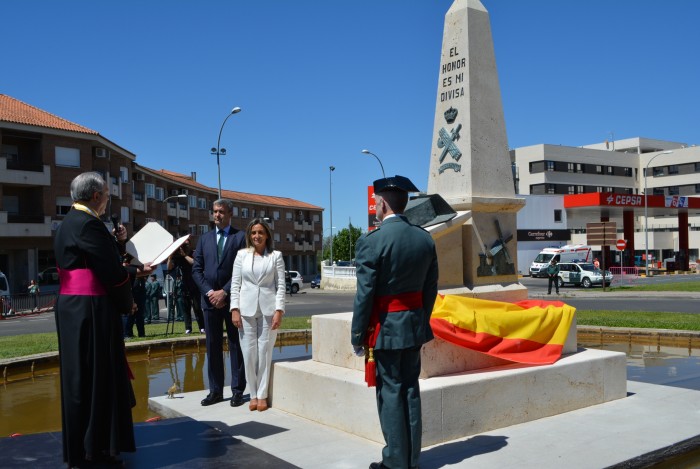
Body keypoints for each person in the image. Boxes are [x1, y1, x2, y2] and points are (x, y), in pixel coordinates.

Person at [53, 172, 152, 467]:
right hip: (91, 309)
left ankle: (83, 446)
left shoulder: (67, 223)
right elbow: (111, 274)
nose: (108, 201)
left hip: (73, 307)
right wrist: (135, 279)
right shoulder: (90, 224)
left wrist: (119, 247)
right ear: (95, 196)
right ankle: (95, 449)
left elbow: (99, 263)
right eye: (107, 195)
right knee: (98, 377)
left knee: (79, 378)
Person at [351, 175, 439, 469]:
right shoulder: (424, 238)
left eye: (376, 201)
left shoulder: (372, 241)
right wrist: (419, 319)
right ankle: (412, 460)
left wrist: (357, 334)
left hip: (386, 329)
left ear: (384, 203)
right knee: (410, 391)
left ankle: (394, 462)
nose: (374, 206)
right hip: (413, 326)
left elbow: (365, 295)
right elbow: (430, 289)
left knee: (390, 393)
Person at [192, 199, 247, 407]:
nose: (217, 215)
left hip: (232, 301)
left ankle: (237, 391)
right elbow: (196, 270)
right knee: (213, 346)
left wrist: (224, 292)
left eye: (221, 212)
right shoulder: (204, 239)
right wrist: (210, 293)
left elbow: (242, 270)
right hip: (209, 302)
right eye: (215, 211)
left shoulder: (240, 237)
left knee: (235, 345)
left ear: (230, 214)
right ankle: (215, 391)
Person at [230, 218, 285, 412]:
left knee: (264, 352)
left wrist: (279, 311)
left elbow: (280, 286)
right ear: (249, 235)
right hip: (245, 310)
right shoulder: (241, 255)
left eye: (260, 232)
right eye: (253, 232)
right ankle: (252, 394)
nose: (257, 236)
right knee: (248, 353)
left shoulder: (276, 256)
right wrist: (234, 309)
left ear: (267, 235)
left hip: (269, 310)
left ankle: (262, 395)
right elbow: (235, 284)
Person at [167, 237, 205, 334]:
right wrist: (170, 257)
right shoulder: (177, 256)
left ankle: (202, 327)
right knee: (185, 307)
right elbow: (169, 267)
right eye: (183, 245)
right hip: (183, 285)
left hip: (194, 284)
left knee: (197, 307)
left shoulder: (193, 253)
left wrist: (184, 255)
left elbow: (195, 263)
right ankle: (188, 328)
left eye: (187, 244)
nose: (185, 246)